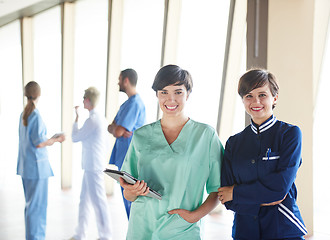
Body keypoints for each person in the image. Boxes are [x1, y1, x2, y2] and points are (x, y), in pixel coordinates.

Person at [119, 64, 224, 240]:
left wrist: (194, 216)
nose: (170, 99)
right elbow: (128, 193)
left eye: (178, 92)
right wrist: (133, 191)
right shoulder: (141, 136)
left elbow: (218, 189)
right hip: (143, 227)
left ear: (188, 94)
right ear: (157, 95)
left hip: (182, 228)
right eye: (164, 92)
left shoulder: (205, 135)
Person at [218, 69, 307, 239]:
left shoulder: (290, 134)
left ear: (275, 98)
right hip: (244, 231)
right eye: (249, 96)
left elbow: (280, 188)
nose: (255, 101)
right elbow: (225, 197)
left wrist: (236, 193)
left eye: (262, 95)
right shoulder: (233, 143)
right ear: (243, 100)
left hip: (283, 228)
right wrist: (264, 196)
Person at [17, 81, 65, 240]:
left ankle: (32, 237)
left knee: (31, 207)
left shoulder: (23, 114)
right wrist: (55, 140)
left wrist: (48, 139)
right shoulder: (35, 115)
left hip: (26, 168)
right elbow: (38, 143)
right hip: (37, 169)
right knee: (37, 207)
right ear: (39, 94)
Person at [71, 87, 112, 240]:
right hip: (92, 165)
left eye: (84, 99)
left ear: (88, 100)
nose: (82, 101)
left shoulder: (92, 120)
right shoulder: (100, 118)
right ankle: (80, 233)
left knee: (98, 202)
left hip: (93, 166)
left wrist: (76, 118)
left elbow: (75, 137)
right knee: (84, 201)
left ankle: (105, 236)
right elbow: (106, 144)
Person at [108, 68, 146, 218]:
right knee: (127, 200)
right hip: (123, 158)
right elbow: (111, 127)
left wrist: (116, 128)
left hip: (130, 160)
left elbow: (116, 131)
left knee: (132, 204)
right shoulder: (127, 104)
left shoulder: (134, 103)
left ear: (126, 80)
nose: (118, 82)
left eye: (119, 79)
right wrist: (115, 128)